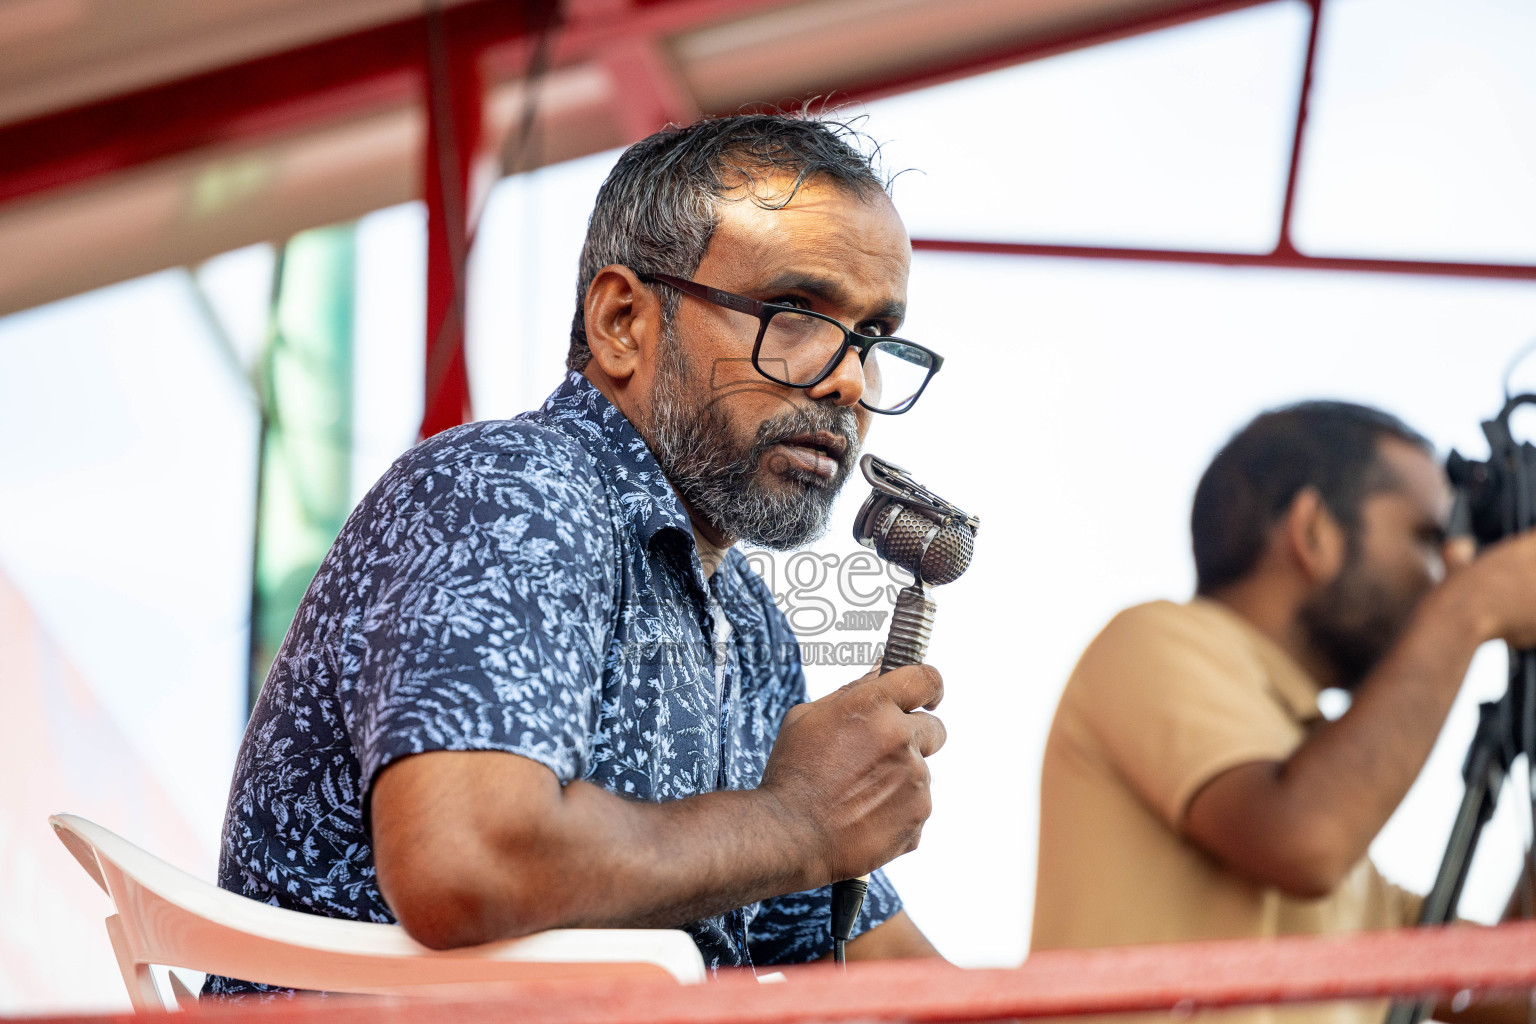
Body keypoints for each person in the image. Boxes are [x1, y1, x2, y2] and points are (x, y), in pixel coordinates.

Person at [205, 113, 949, 997]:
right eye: (794, 315)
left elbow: (880, 971)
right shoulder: (508, 490)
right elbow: (466, 861)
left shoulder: (749, 626)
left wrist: (819, 829)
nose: (849, 380)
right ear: (622, 320)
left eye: (873, 338)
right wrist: (796, 824)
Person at [1032, 401, 1535, 1024]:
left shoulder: (1319, 776)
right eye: (1427, 539)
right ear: (1314, 530)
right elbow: (1305, 840)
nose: (1444, 573)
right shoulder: (1154, 641)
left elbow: (1514, 989)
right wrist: (1473, 604)